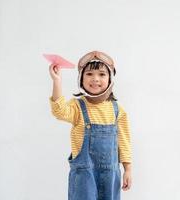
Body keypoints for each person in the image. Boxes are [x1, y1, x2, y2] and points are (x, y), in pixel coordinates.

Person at [49, 51, 132, 200]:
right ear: (81, 79)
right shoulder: (77, 107)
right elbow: (59, 111)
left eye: (101, 74)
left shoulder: (117, 110)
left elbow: (124, 142)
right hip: (83, 177)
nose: (95, 79)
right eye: (89, 74)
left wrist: (128, 169)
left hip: (110, 176)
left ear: (110, 79)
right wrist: (57, 81)